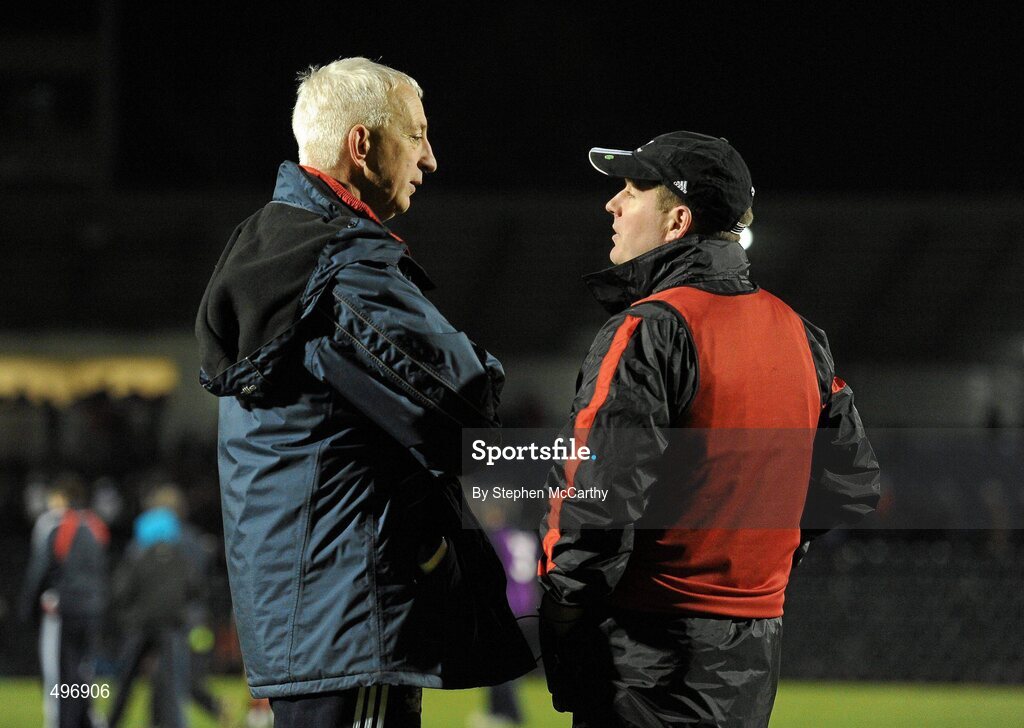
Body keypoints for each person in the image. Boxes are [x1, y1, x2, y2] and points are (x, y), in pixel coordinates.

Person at [194, 56, 533, 728]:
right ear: (361, 143)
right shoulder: (340, 265)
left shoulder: (272, 251)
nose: (430, 159)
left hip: (308, 624)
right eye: (417, 135)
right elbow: (466, 401)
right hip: (350, 622)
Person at [537, 131, 882, 727]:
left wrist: (564, 618)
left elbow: (595, 498)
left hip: (648, 658)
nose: (612, 205)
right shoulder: (801, 335)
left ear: (678, 220)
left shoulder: (650, 329)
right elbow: (853, 481)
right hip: (752, 655)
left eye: (632, 190)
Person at [19, 472, 110, 728]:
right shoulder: (95, 525)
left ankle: (63, 721)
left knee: (59, 675)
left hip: (63, 610)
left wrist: (27, 608)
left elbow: (41, 570)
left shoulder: (57, 524)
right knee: (83, 670)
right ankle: (86, 718)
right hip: (92, 609)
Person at [106, 503, 200, 728]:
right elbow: (195, 588)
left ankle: (112, 722)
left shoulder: (138, 555)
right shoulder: (180, 557)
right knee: (172, 683)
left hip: (140, 626)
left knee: (126, 680)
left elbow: (121, 592)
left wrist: (129, 619)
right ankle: (173, 723)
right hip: (172, 626)